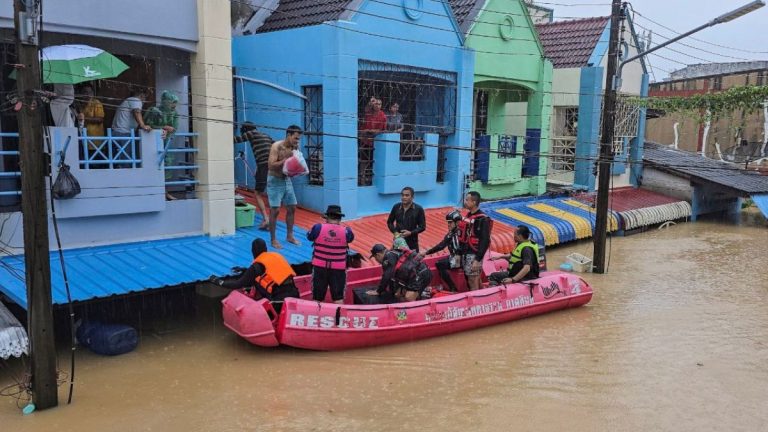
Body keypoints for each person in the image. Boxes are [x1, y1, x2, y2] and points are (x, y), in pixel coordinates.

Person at [209, 238, 299, 313]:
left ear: (253, 251)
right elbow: (272, 272)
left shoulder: (257, 266)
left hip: (278, 302)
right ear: (266, 248)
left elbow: (237, 284)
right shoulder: (276, 255)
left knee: (255, 280)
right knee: (258, 279)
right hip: (294, 295)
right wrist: (246, 270)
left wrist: (218, 281)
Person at [307, 205, 354, 304]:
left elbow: (309, 236)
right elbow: (350, 239)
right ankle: (338, 313)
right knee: (338, 298)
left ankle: (316, 312)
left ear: (327, 217)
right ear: (340, 218)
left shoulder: (318, 227)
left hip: (319, 267)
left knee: (317, 298)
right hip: (338, 269)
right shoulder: (347, 231)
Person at [267, 125, 302, 249]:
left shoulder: (295, 148)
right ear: (288, 135)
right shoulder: (277, 146)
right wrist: (285, 160)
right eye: (296, 138)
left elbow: (294, 164)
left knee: (292, 207)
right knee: (275, 210)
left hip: (286, 179)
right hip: (274, 180)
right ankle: (273, 239)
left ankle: (290, 236)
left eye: (298, 139)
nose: (297, 141)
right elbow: (270, 165)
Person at [366, 244, 432, 303]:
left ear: (378, 255)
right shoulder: (394, 253)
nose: (377, 260)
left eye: (375, 258)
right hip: (413, 275)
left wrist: (378, 291)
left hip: (420, 274)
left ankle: (422, 295)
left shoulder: (387, 258)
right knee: (397, 295)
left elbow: (387, 275)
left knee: (408, 298)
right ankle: (420, 292)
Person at [145, 90, 180, 200]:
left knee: (167, 166)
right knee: (153, 165)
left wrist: (167, 130)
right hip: (151, 143)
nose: (174, 105)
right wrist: (163, 128)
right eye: (172, 102)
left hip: (167, 143)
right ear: (166, 101)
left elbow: (174, 128)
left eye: (175, 103)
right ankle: (155, 192)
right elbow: (148, 125)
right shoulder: (154, 111)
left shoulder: (174, 114)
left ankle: (165, 192)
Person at [418, 210, 464, 292]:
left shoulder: (459, 234)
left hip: (461, 259)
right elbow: (441, 245)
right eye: (448, 222)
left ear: (457, 223)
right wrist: (427, 252)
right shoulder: (451, 233)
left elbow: (442, 246)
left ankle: (452, 287)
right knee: (440, 262)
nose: (448, 224)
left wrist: (426, 252)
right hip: (455, 257)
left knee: (440, 264)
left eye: (450, 222)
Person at [239, 122, 272, 230]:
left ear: (246, 130)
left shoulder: (251, 134)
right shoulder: (266, 136)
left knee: (257, 193)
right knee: (272, 193)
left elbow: (236, 140)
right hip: (273, 166)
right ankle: (271, 220)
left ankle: (266, 219)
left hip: (263, 165)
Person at [458, 191, 491, 291]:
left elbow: (485, 240)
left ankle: (475, 299)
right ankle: (483, 296)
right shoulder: (468, 216)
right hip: (466, 252)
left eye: (467, 200)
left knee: (472, 280)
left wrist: (477, 259)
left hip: (474, 254)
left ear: (474, 202)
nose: (465, 202)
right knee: (475, 279)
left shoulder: (482, 219)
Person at [386, 186, 426, 251]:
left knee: (413, 258)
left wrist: (410, 233)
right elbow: (389, 222)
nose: (404, 197)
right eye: (402, 195)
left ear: (412, 197)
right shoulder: (396, 207)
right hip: (398, 241)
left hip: (412, 243)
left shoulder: (419, 209)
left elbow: (422, 227)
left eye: (407, 195)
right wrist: (395, 232)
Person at [358, 97, 387, 184]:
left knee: (375, 161)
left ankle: (373, 180)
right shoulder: (368, 113)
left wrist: (371, 131)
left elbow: (383, 130)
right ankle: (362, 179)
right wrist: (370, 102)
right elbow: (366, 109)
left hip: (377, 143)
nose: (378, 106)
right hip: (365, 141)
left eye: (379, 104)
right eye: (376, 104)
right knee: (363, 161)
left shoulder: (383, 116)